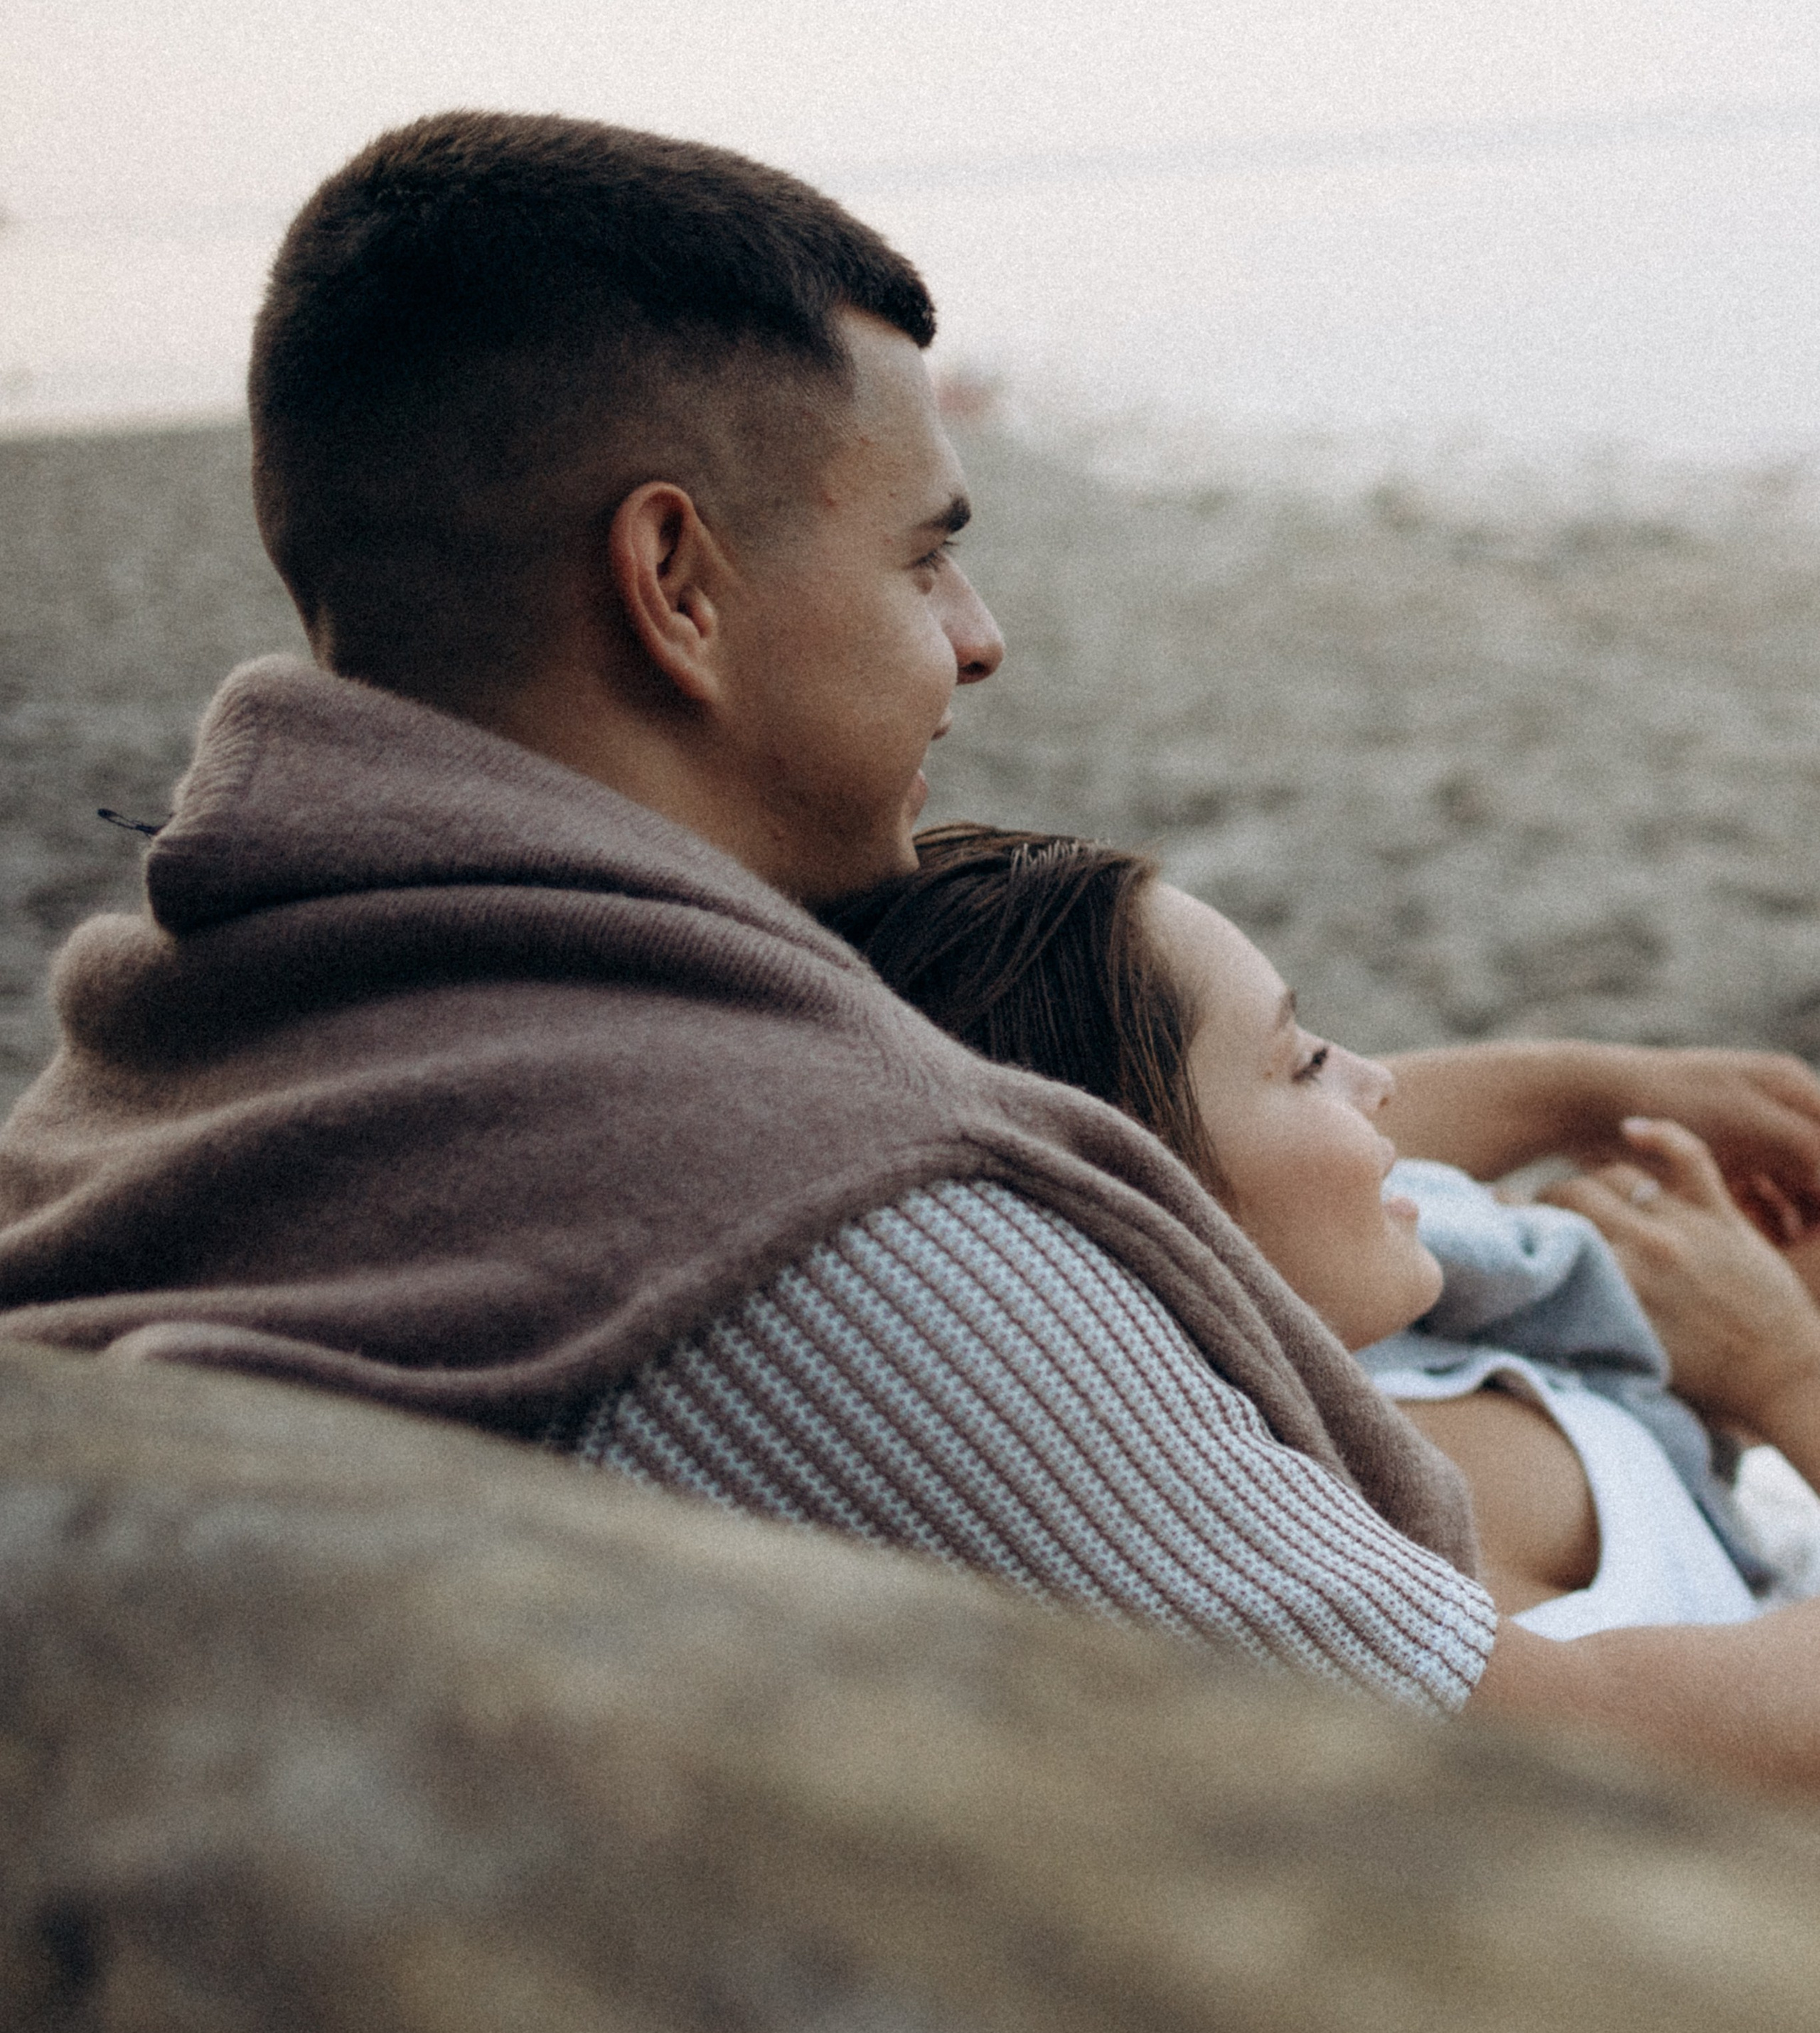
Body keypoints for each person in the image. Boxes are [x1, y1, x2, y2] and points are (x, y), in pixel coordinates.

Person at [4, 112, 1820, 1794]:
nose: (979, 638)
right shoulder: (824, 1228)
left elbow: (1173, 1124)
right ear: (677, 583)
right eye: (922, 557)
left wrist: (1589, 1080)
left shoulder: (234, 1049)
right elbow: (1547, 1762)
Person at [825, 824, 1820, 1636]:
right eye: (1303, 1062)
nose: (1383, 1081)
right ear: (1155, 1202)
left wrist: (1600, 1093)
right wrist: (1781, 1374)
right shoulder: (1431, 1545)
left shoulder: (1304, 1326)